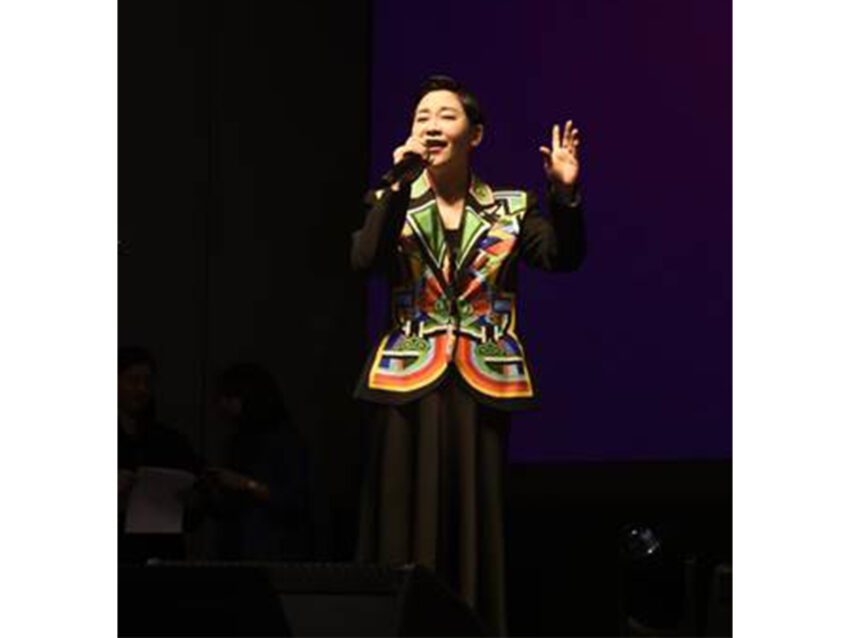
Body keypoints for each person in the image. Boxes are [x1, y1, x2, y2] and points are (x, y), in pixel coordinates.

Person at [352, 75, 586, 636]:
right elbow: (364, 259)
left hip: (482, 382)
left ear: (474, 135)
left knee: (472, 520)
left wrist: (564, 195)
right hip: (405, 382)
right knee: (401, 520)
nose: (431, 126)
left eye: (446, 116)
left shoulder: (511, 208)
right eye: (421, 117)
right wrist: (396, 184)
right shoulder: (392, 199)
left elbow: (561, 257)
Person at [200, 363, 313, 561]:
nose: (222, 404)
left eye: (230, 397)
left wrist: (247, 484)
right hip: (237, 551)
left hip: (273, 552)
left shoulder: (284, 441)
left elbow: (295, 500)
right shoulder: (238, 441)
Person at [118, 346, 202, 563]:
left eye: (147, 382)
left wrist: (190, 499)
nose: (141, 389)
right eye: (133, 381)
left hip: (162, 552)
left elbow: (197, 505)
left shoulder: (170, 441)